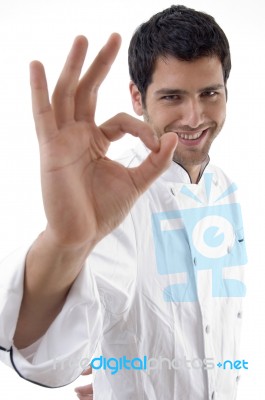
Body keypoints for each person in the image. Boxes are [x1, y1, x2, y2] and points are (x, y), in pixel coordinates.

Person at [0, 4, 247, 400]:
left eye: (209, 93)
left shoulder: (224, 187)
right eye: (172, 97)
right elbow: (44, 350)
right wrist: (65, 242)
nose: (195, 116)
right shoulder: (119, 202)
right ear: (137, 97)